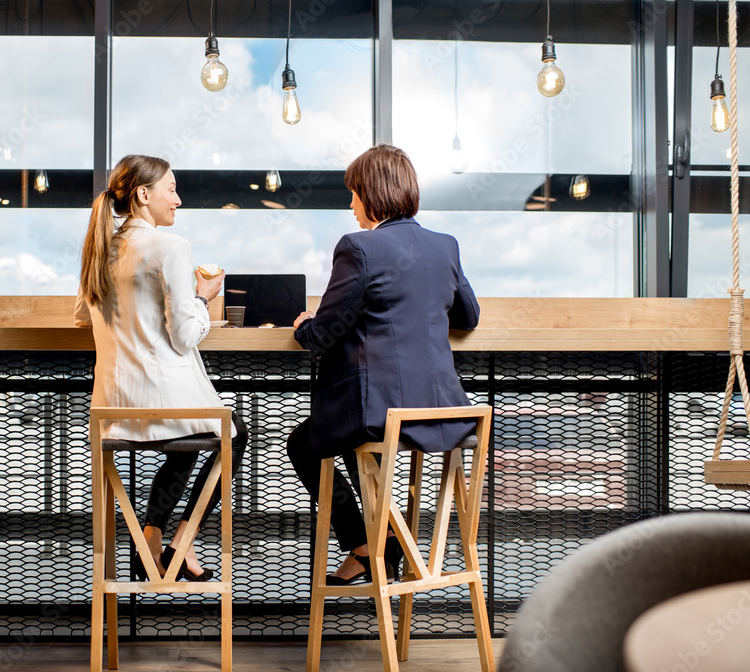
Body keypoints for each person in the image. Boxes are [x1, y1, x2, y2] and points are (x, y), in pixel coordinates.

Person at [287, 144, 479, 585]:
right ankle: (384, 544)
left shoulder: (359, 247)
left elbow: (324, 335)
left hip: (383, 419)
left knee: (308, 442)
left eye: (354, 193)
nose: (351, 204)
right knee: (354, 439)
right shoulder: (444, 246)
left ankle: (369, 545)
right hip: (445, 415)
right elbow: (468, 317)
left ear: (371, 193)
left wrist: (304, 324)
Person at [75, 154, 249, 581]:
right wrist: (202, 295)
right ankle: (179, 543)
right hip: (160, 403)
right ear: (143, 194)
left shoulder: (101, 247)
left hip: (112, 413)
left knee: (197, 431)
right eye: (171, 189)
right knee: (233, 434)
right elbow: (186, 336)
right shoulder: (171, 247)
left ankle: (151, 538)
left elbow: (83, 314)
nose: (179, 199)